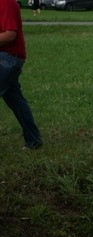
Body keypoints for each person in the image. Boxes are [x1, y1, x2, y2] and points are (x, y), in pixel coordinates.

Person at [0, 0, 42, 150]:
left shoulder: (6, 3)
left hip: (9, 58)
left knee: (16, 101)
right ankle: (33, 140)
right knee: (16, 101)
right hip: (5, 57)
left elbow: (10, 34)